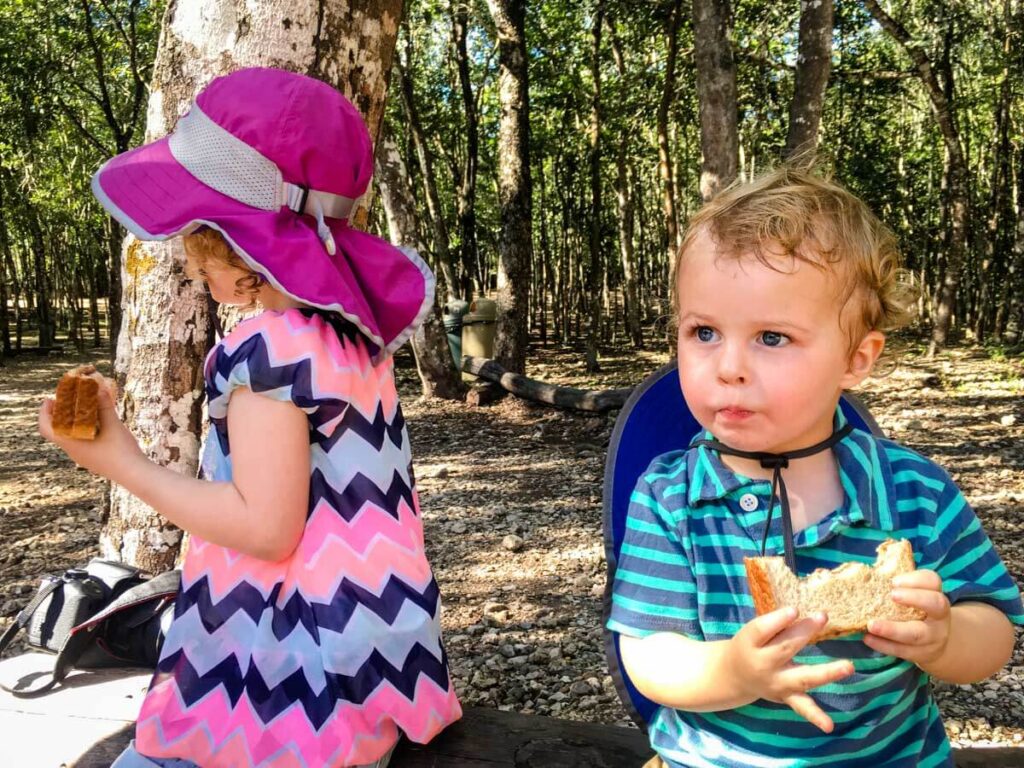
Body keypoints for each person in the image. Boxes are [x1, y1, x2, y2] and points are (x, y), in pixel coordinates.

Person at [39, 67, 461, 768]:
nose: (187, 255)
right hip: (363, 670)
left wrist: (123, 464)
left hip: (280, 693)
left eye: (193, 231)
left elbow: (265, 527)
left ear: (237, 252)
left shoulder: (267, 348)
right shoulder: (350, 342)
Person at [607, 162, 1023, 767]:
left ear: (856, 359)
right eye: (703, 332)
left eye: (772, 337)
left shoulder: (914, 493)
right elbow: (649, 653)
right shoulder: (671, 496)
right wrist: (733, 670)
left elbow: (996, 629)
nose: (728, 366)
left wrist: (947, 638)